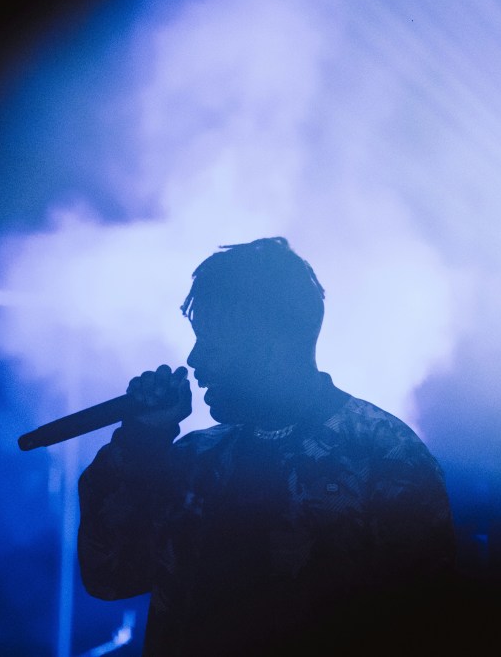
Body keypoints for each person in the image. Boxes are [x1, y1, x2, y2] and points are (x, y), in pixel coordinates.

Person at [78, 237, 456, 655]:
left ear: (269, 340)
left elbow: (427, 626)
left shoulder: (384, 455)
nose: (195, 358)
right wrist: (141, 443)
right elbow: (109, 575)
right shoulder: (195, 460)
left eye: (211, 338)